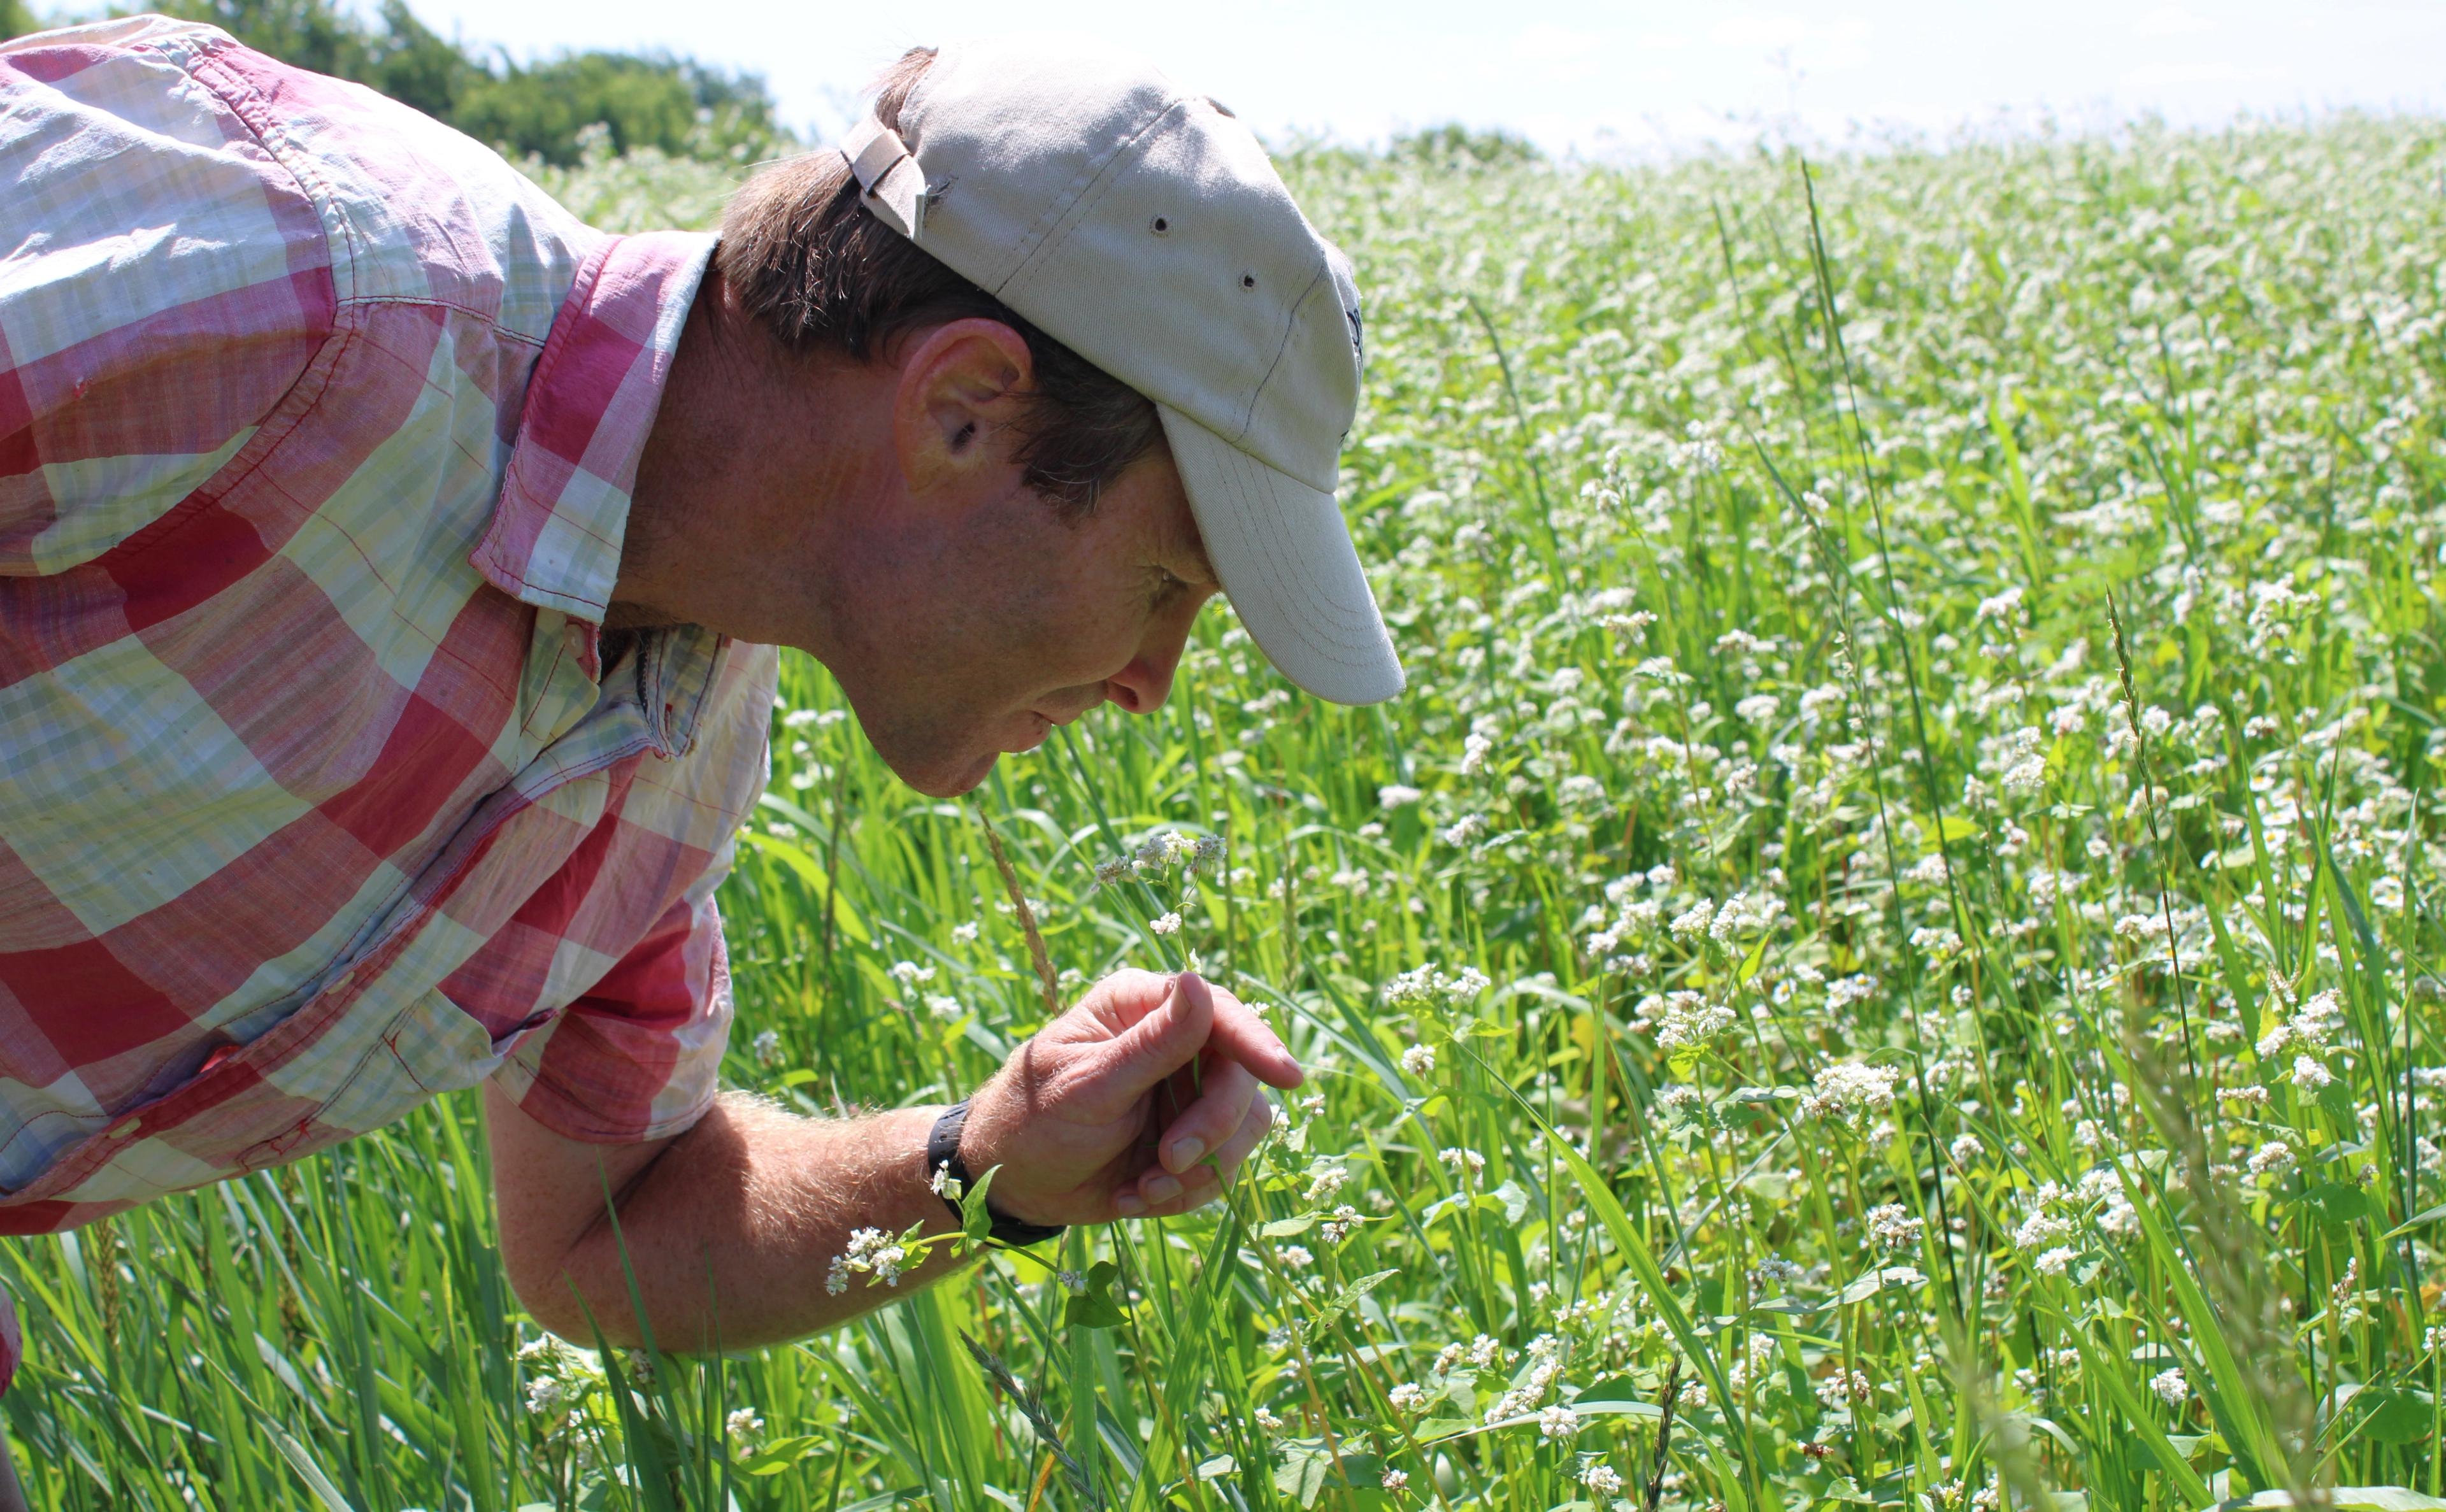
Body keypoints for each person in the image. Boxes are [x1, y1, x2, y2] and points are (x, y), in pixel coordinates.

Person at [0, 13, 1403, 1501]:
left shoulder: (670, 761)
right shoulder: (313, 289)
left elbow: (611, 1234)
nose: (1151, 684)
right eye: (1168, 586)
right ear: (965, 413)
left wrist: (984, 1161)